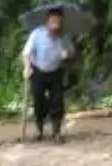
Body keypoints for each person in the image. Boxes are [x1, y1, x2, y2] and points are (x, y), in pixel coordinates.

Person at [21, 8, 74, 142]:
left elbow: (72, 52)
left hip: (55, 72)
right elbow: (26, 52)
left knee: (57, 101)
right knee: (39, 101)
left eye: (58, 21)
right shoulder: (37, 34)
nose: (55, 24)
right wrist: (27, 67)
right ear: (47, 22)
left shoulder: (64, 37)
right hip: (38, 71)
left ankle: (56, 132)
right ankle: (39, 130)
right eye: (53, 21)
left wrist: (66, 54)